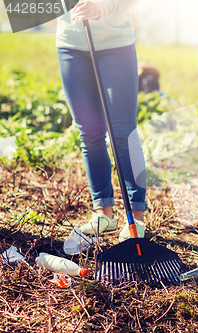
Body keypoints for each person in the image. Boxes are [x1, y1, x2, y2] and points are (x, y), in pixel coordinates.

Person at [57, 0, 147, 241]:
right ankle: (103, 214)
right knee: (90, 133)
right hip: (70, 46)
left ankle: (136, 220)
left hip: (115, 45)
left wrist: (101, 8)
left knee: (123, 133)